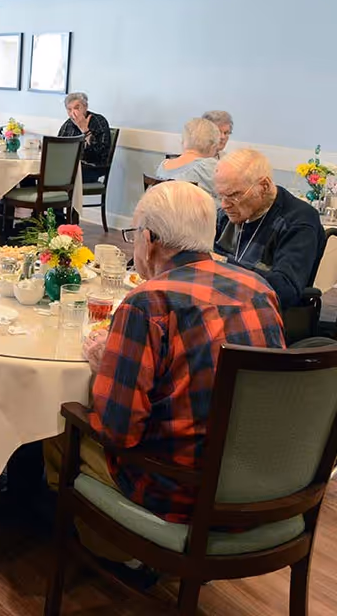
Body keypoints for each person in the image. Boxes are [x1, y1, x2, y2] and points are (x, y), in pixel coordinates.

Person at [44, 181, 285, 574]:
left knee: (56, 427)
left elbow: (119, 432)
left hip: (181, 490)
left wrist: (109, 366)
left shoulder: (149, 302)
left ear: (150, 239)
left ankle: (122, 554)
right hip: (264, 482)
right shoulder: (258, 288)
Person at [214, 148, 325, 311]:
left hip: (265, 314)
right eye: (220, 195)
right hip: (223, 303)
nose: (224, 204)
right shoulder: (227, 215)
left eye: (234, 195)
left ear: (264, 186)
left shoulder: (298, 221)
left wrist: (222, 263)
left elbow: (285, 290)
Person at [154, 118, 220, 197]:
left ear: (183, 142)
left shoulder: (163, 166)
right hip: (200, 209)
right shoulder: (208, 165)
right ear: (213, 147)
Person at [57, 92, 112, 183]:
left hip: (92, 168)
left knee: (56, 177)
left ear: (85, 107)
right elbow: (59, 148)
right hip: (69, 166)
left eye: (77, 108)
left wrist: (85, 130)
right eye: (69, 110)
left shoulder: (99, 121)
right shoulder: (68, 124)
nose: (73, 113)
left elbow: (101, 153)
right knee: (30, 176)